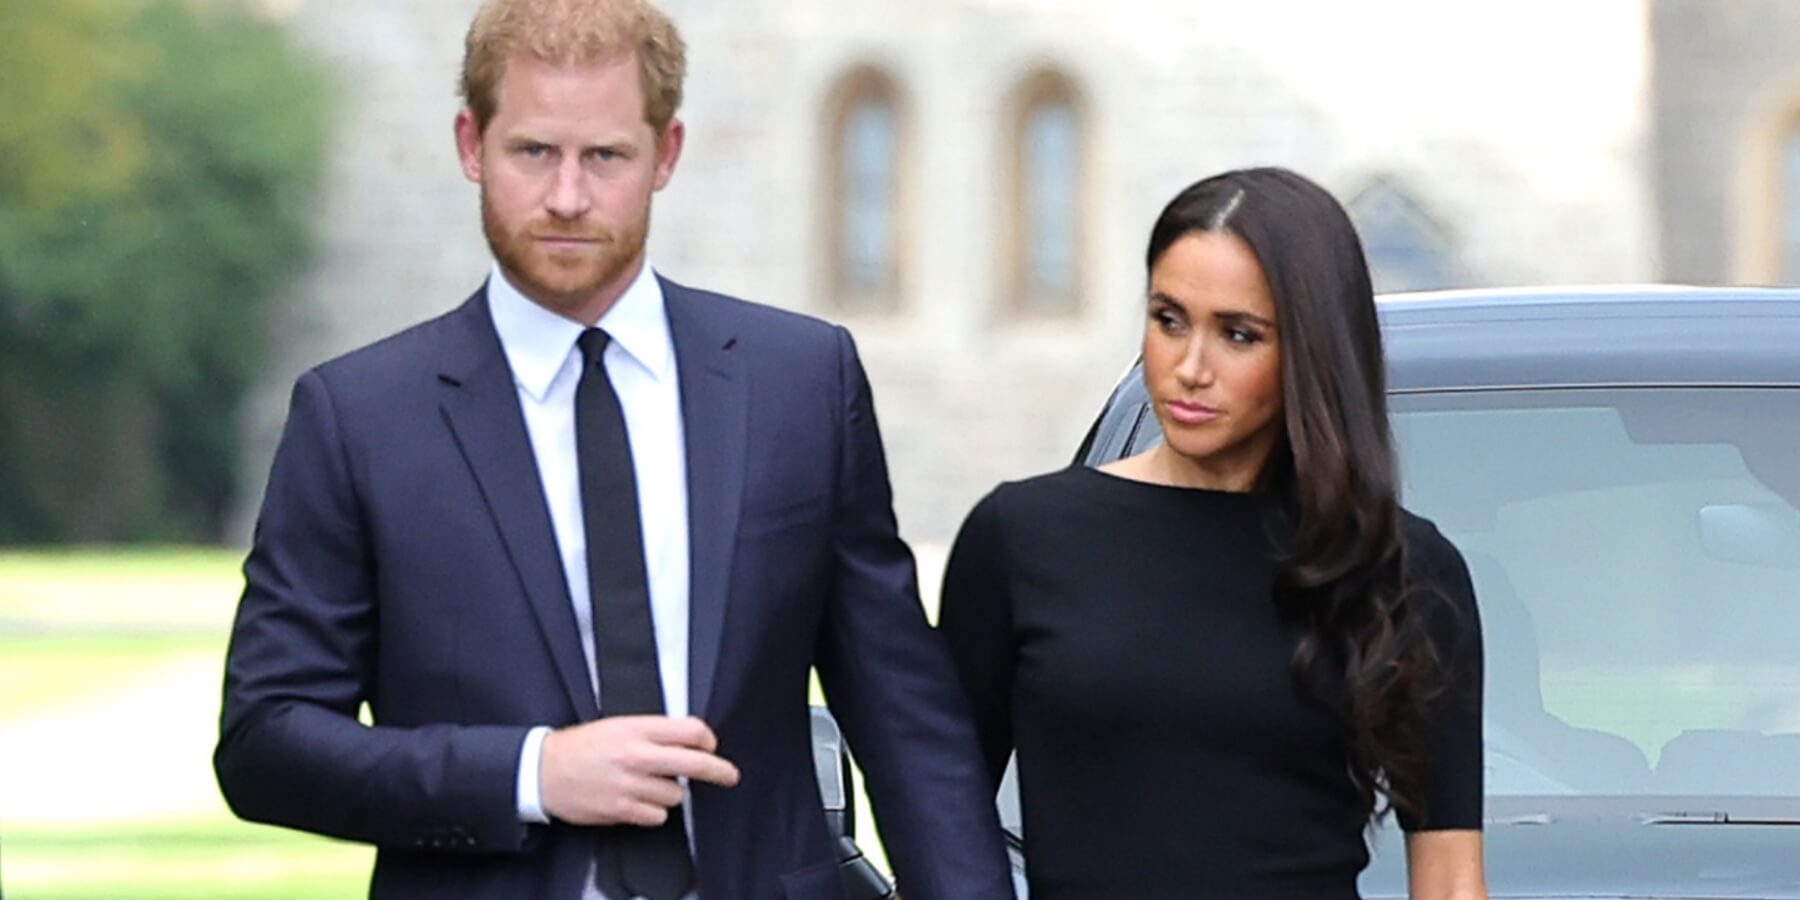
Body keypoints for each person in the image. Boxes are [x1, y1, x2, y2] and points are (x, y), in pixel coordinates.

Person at [212, 1, 1014, 898]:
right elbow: (266, 740)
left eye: (604, 156)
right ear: (471, 144)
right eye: (533, 152)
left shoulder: (800, 383)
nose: (566, 196)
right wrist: (529, 774)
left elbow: (903, 715)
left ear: (664, 154)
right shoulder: (357, 415)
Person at [938, 167, 1487, 899]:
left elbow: (1450, 878)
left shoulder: (1406, 570)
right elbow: (939, 828)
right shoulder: (1023, 539)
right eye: (1169, 319)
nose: (1189, 368)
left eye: (1238, 334)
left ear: (1311, 350)